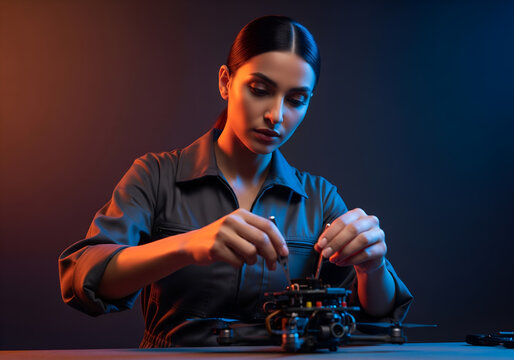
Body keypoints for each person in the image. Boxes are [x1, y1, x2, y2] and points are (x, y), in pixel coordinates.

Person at [59, 15, 412, 348]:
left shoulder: (319, 198)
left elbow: (378, 321)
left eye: (296, 100)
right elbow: (85, 277)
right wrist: (190, 245)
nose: (275, 115)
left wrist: (372, 266)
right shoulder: (156, 175)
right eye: (260, 89)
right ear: (226, 82)